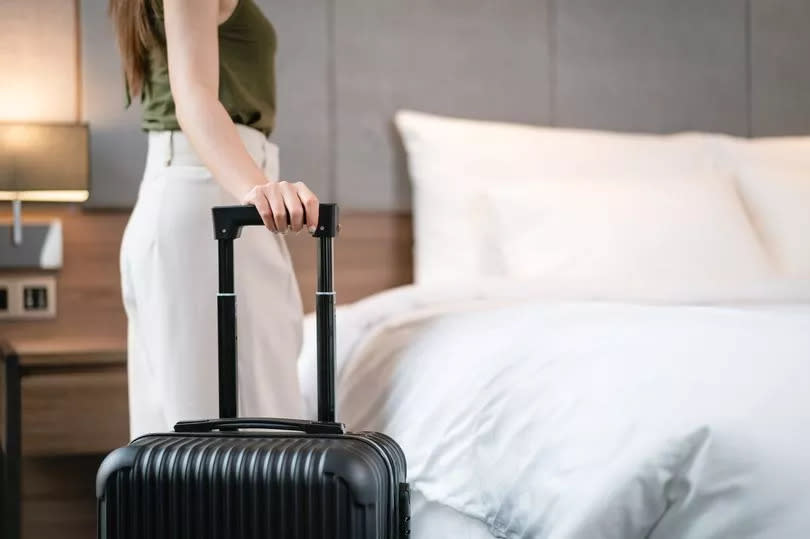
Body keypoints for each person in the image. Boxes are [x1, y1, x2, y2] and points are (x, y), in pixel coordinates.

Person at [110, 0, 316, 438]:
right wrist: (256, 191)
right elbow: (195, 97)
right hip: (213, 197)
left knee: (196, 443)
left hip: (206, 193)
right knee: (249, 441)